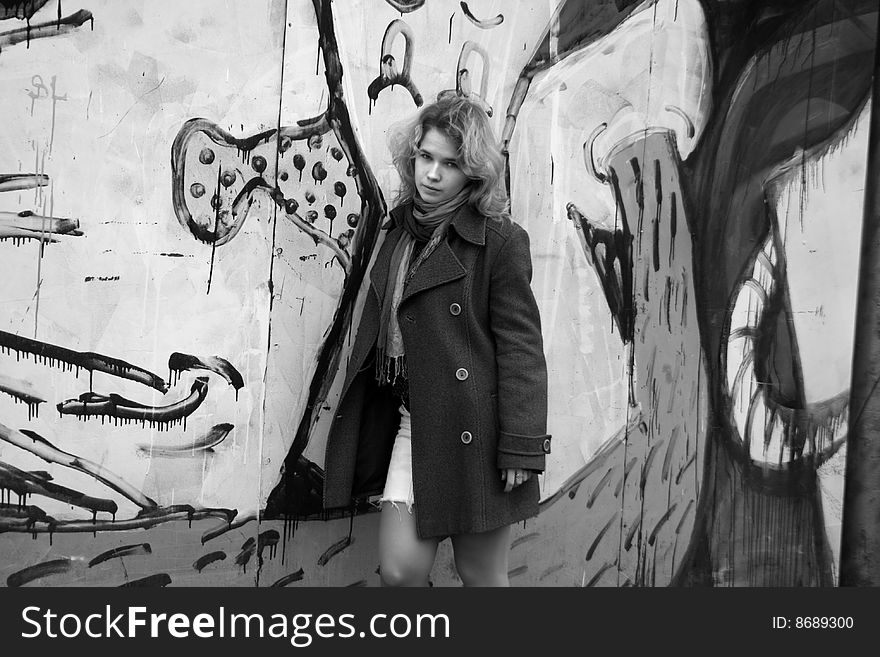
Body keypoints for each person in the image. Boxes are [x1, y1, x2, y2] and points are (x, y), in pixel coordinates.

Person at [322, 94, 550, 586]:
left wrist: (521, 446)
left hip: (477, 433)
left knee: (481, 575)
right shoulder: (398, 232)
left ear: (473, 173)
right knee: (401, 573)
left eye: (449, 164)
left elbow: (521, 349)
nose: (432, 173)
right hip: (415, 424)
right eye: (426, 157)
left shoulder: (500, 241)